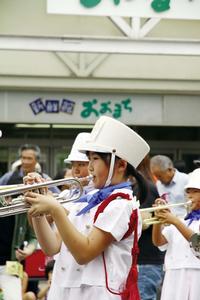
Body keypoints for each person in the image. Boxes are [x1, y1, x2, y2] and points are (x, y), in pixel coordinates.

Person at [24, 116, 150, 300]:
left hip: (98, 294)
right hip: (64, 288)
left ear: (121, 165)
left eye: (95, 159)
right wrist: (37, 201)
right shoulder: (87, 199)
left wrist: (55, 209)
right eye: (88, 159)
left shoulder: (122, 204)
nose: (89, 167)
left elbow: (84, 253)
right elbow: (51, 247)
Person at [0, 144, 58, 300]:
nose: (25, 161)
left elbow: (32, 234)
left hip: (11, 264)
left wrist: (29, 249)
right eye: (23, 158)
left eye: (29, 158)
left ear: (36, 161)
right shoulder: (7, 178)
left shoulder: (46, 180)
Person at [152, 167, 200, 300]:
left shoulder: (178, 222)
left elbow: (198, 245)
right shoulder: (182, 219)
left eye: (195, 192)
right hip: (173, 276)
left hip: (196, 276)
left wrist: (175, 221)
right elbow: (158, 242)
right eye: (188, 192)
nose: (190, 196)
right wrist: (158, 219)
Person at [136, 155, 164, 300]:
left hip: (146, 260)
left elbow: (144, 222)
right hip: (141, 260)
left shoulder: (145, 187)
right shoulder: (139, 185)